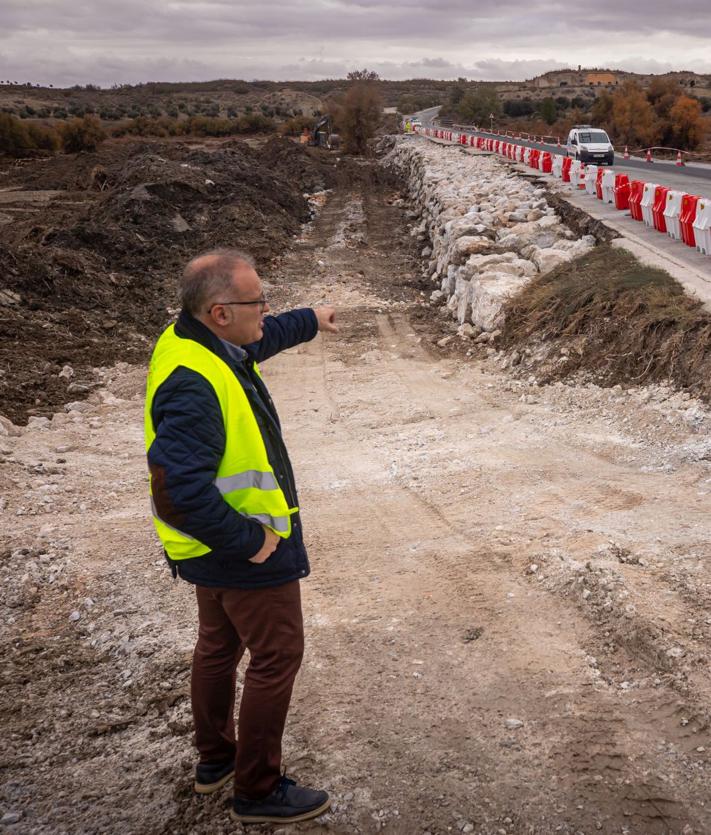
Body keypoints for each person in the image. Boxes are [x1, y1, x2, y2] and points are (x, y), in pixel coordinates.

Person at [144, 248, 337, 825]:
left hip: (211, 552)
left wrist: (310, 319)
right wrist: (251, 541)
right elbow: (176, 491)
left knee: (219, 647)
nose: (266, 310)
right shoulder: (192, 383)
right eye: (258, 302)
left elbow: (258, 339)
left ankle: (216, 762)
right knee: (276, 656)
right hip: (240, 550)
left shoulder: (193, 338)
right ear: (221, 312)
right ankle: (257, 789)